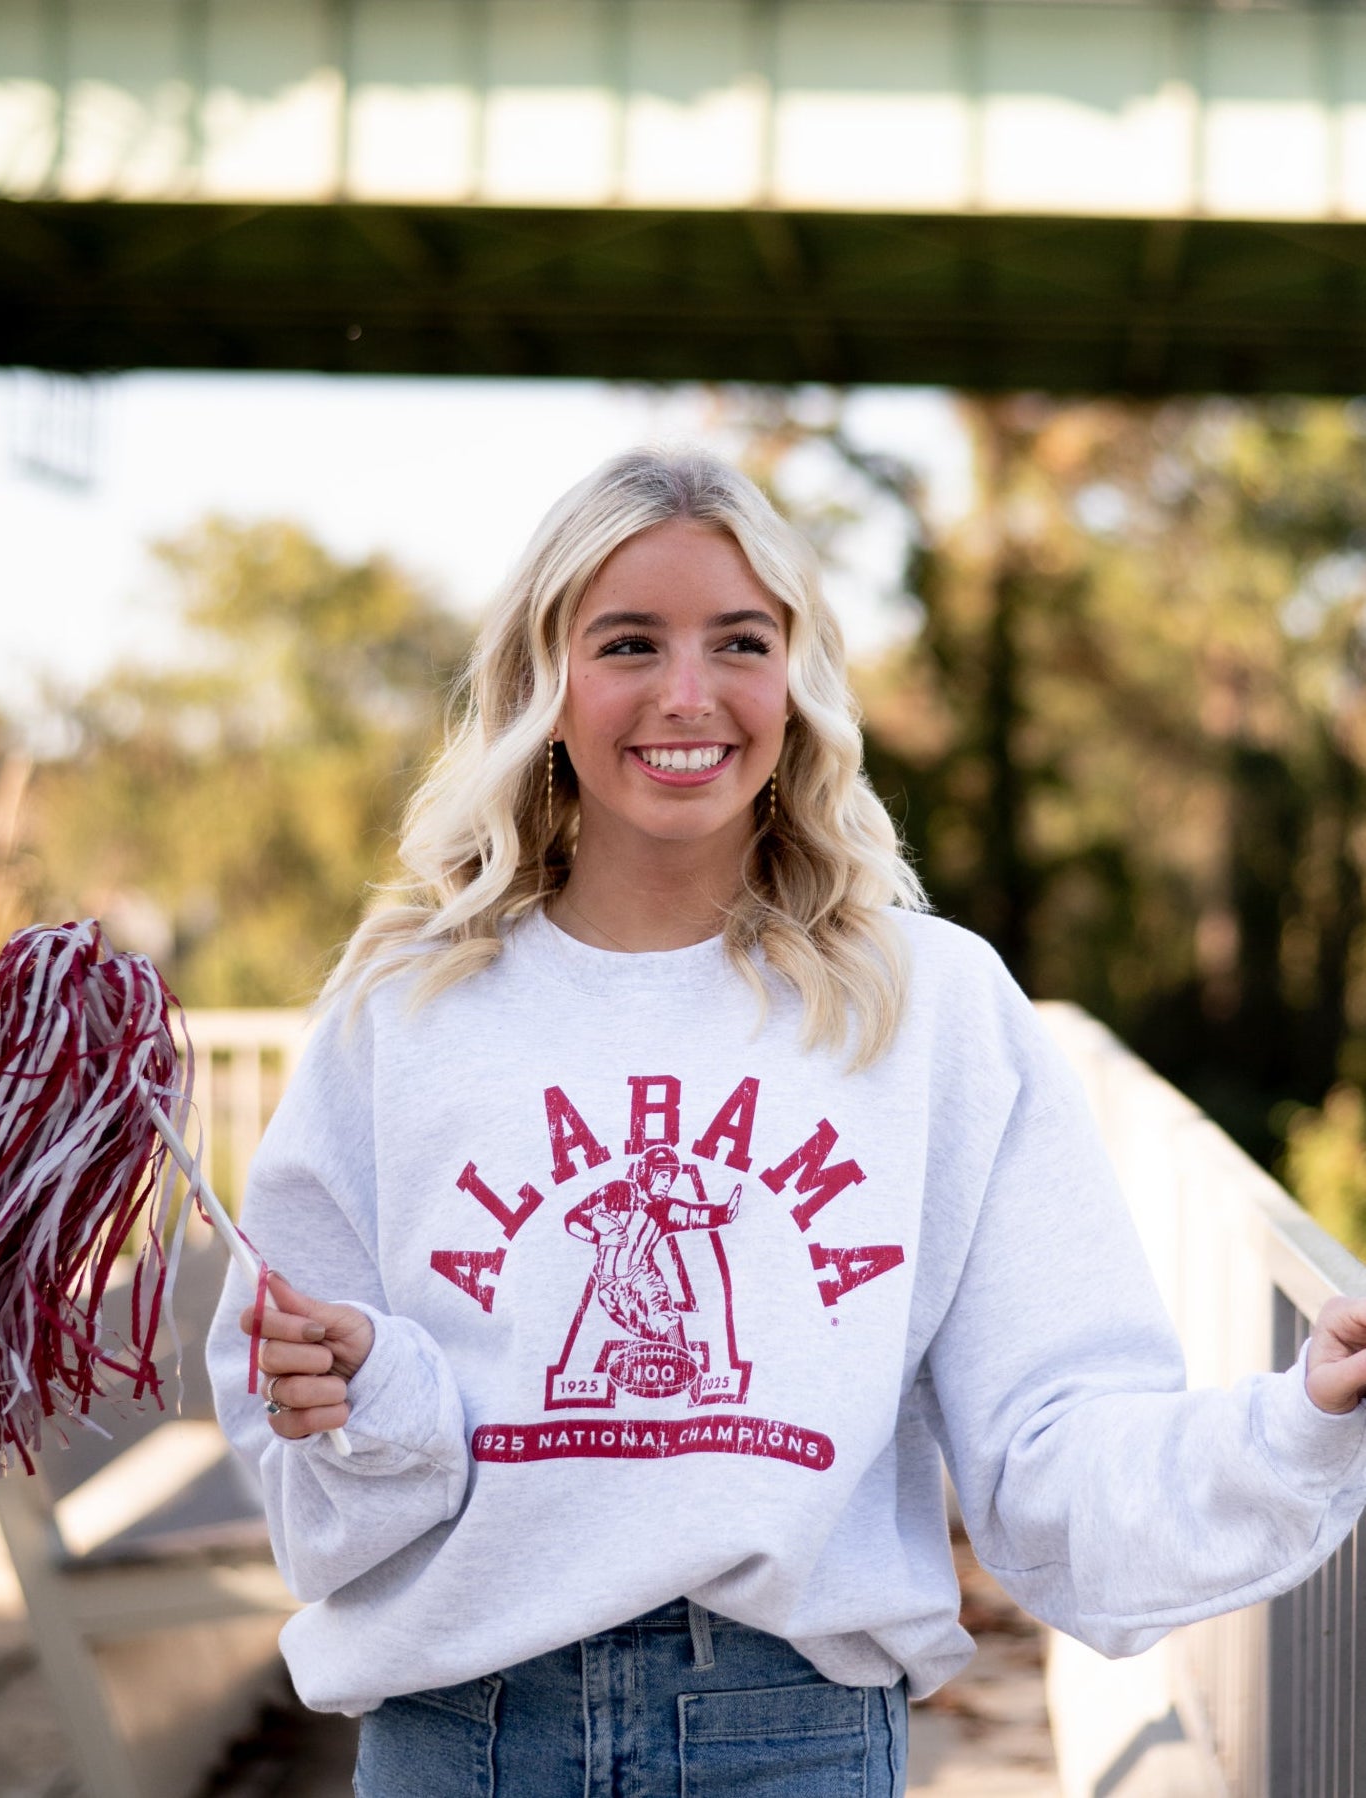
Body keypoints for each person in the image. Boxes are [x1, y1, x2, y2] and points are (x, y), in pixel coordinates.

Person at [207, 446, 1366, 1797]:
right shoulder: (405, 1008)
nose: (687, 695)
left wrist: (1296, 1418)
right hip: (458, 1731)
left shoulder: (925, 1005)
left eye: (739, 642)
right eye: (628, 642)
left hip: (788, 1737)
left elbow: (1052, 1438)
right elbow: (313, 1489)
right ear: (547, 682)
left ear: (799, 679)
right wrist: (360, 1397)